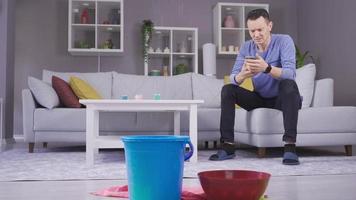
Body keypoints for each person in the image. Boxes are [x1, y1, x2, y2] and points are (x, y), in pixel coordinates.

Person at [209, 9, 302, 165]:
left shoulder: (284, 41)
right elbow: (233, 78)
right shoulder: (247, 47)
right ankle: (228, 146)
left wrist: (266, 68)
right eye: (252, 31)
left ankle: (290, 146)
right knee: (228, 89)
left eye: (260, 29)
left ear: (270, 26)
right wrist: (243, 74)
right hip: (260, 99)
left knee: (288, 83)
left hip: (282, 99)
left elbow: (290, 74)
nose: (256, 34)